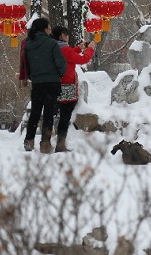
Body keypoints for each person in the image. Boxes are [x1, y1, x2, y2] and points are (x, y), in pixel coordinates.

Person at [21, 17, 67, 153]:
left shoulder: (28, 44)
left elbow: (26, 65)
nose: (49, 30)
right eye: (48, 28)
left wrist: (34, 76)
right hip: (52, 83)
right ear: (44, 29)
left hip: (37, 83)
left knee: (35, 112)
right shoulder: (52, 43)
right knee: (48, 114)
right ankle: (45, 144)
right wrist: (60, 74)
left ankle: (29, 140)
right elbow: (60, 64)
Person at [51, 26, 96, 152]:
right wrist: (90, 49)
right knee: (65, 116)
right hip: (66, 86)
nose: (68, 37)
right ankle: (60, 145)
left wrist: (79, 48)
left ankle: (46, 142)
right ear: (62, 36)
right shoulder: (64, 49)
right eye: (66, 35)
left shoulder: (54, 47)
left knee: (54, 114)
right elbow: (83, 59)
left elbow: (69, 55)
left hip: (53, 85)